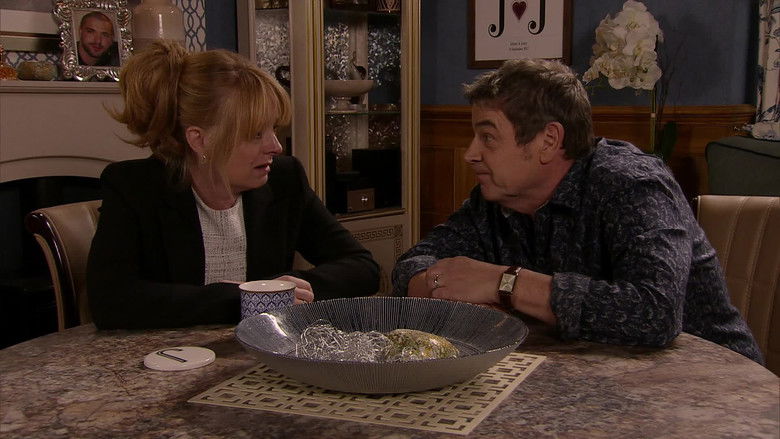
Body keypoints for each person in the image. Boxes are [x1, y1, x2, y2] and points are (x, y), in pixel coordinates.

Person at [391, 58, 763, 363]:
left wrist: (504, 284)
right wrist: (440, 285)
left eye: (487, 137)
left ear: (548, 140)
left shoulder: (632, 185)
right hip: (593, 379)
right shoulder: (493, 200)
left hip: (716, 385)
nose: (471, 154)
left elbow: (655, 312)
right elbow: (412, 264)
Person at [87, 41, 380, 329]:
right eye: (255, 134)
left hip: (258, 349)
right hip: (168, 355)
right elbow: (110, 300)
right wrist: (241, 298)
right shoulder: (135, 186)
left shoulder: (285, 179)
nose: (276, 146)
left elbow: (362, 267)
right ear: (200, 139)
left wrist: (286, 289)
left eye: (273, 129)